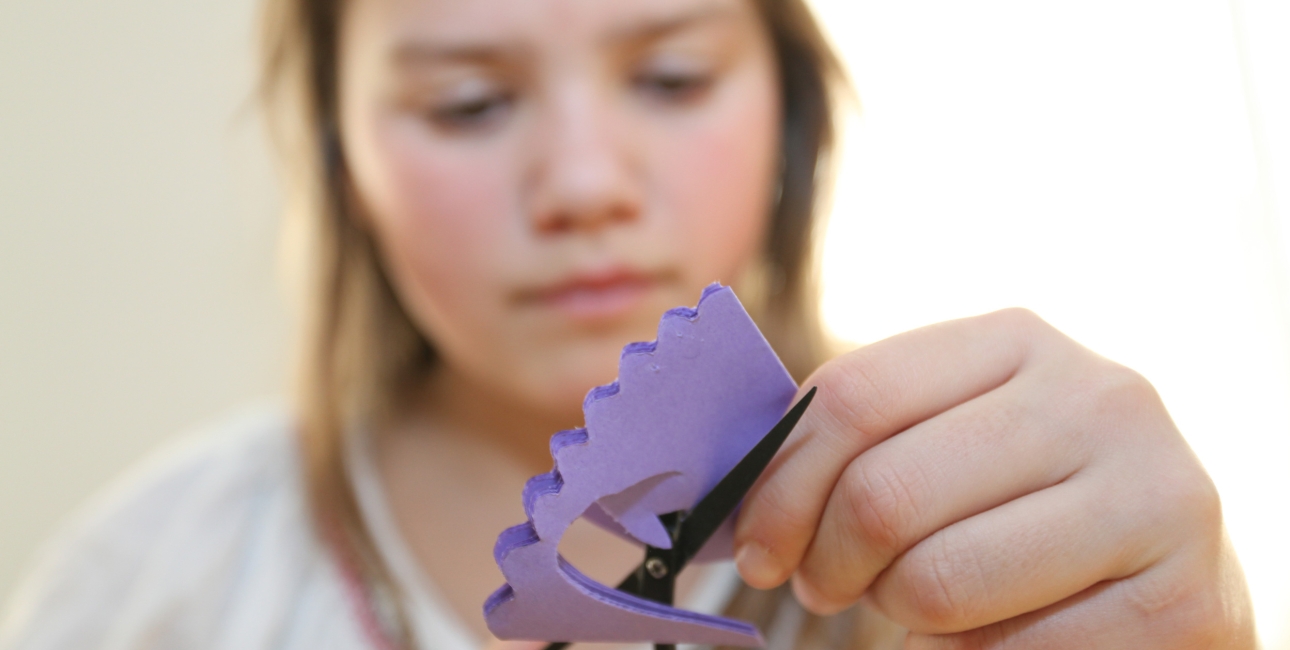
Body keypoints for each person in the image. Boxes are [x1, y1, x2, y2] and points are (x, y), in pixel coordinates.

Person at [0, 0, 1257, 648]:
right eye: (470, 103)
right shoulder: (149, 585)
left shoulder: (1000, 537)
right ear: (341, 164)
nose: (586, 181)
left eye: (670, 78)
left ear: (795, 111)